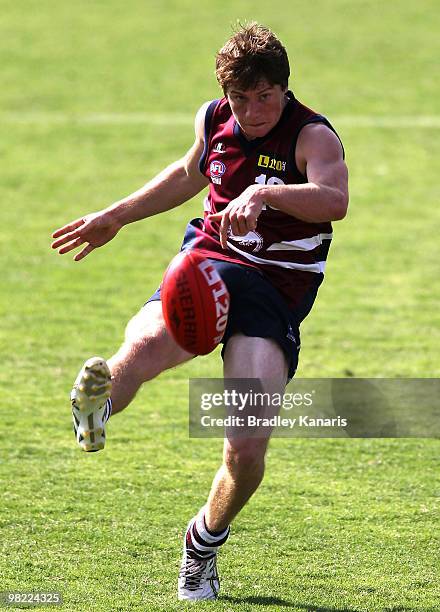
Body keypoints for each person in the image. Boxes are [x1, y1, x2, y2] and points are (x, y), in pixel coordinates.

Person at [51, 23, 348, 601]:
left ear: (284, 90)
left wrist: (266, 194)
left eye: (265, 97)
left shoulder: (313, 136)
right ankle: (98, 405)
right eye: (241, 98)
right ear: (226, 93)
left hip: (276, 288)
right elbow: (189, 175)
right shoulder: (214, 119)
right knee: (141, 346)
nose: (253, 110)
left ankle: (203, 541)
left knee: (246, 447)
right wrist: (116, 215)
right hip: (210, 260)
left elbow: (334, 199)